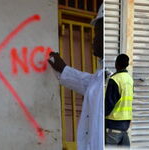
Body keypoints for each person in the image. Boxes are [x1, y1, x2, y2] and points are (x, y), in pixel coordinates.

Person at [47, 5, 103, 150]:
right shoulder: (101, 76)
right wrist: (64, 69)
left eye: (97, 33)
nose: (93, 39)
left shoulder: (112, 77)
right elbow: (88, 83)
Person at [105, 54, 133, 147]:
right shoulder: (129, 79)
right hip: (125, 124)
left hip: (114, 124)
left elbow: (109, 104)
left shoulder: (114, 80)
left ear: (116, 64)